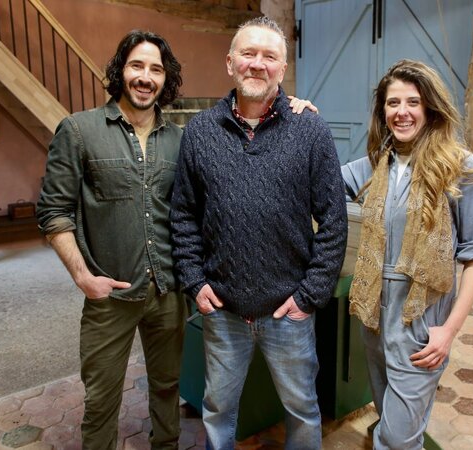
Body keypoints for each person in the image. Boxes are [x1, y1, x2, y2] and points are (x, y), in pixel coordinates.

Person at [37, 30, 317, 449]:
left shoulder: (182, 139)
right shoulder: (79, 132)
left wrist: (296, 108)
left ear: (166, 80)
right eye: (137, 66)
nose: (145, 77)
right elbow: (52, 212)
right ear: (120, 71)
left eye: (156, 69)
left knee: (167, 389)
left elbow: (192, 213)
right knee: (101, 399)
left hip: (168, 294)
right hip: (110, 295)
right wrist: (82, 277)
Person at [170, 16, 348, 450]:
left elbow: (334, 221)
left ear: (282, 69)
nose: (257, 64)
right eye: (248, 54)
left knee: (303, 409)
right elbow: (183, 215)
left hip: (288, 311)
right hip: (224, 310)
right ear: (230, 63)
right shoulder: (200, 132)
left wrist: (309, 296)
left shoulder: (310, 130)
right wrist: (194, 282)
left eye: (269, 56)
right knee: (217, 409)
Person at [341, 59, 473, 450]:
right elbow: (318, 179)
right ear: (383, 111)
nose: (402, 112)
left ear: (429, 107)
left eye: (413, 101)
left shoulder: (459, 166)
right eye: (393, 103)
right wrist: (300, 118)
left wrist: (449, 331)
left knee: (395, 437)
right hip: (375, 318)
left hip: (421, 320)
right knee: (389, 414)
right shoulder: (376, 165)